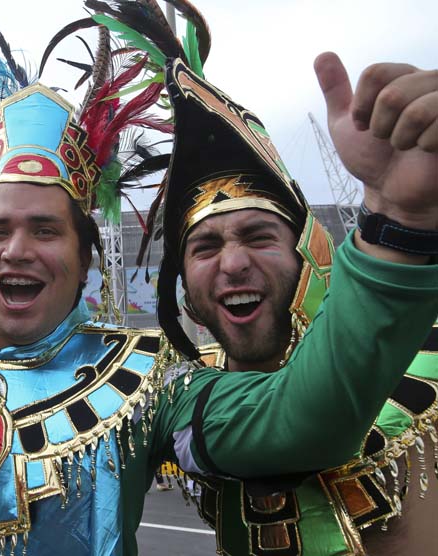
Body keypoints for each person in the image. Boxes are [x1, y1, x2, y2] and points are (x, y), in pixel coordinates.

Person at [0, 44, 437, 553]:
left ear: (85, 257)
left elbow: (306, 424)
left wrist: (398, 224)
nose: (17, 250)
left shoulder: (150, 379)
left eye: (45, 230)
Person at [152, 51, 438, 555]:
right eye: (206, 247)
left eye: (258, 236)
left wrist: (398, 217)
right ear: (186, 293)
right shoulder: (169, 394)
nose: (233, 262)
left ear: (309, 252)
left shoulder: (424, 345)